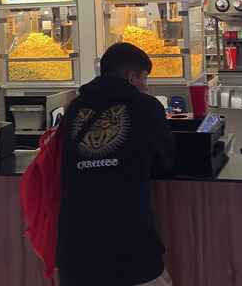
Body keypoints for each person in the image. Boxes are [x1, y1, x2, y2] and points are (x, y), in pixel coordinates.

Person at [57, 42, 175, 286]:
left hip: (75, 255)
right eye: (144, 78)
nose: (145, 86)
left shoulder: (73, 109)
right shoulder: (146, 106)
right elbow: (166, 163)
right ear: (131, 77)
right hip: (131, 251)